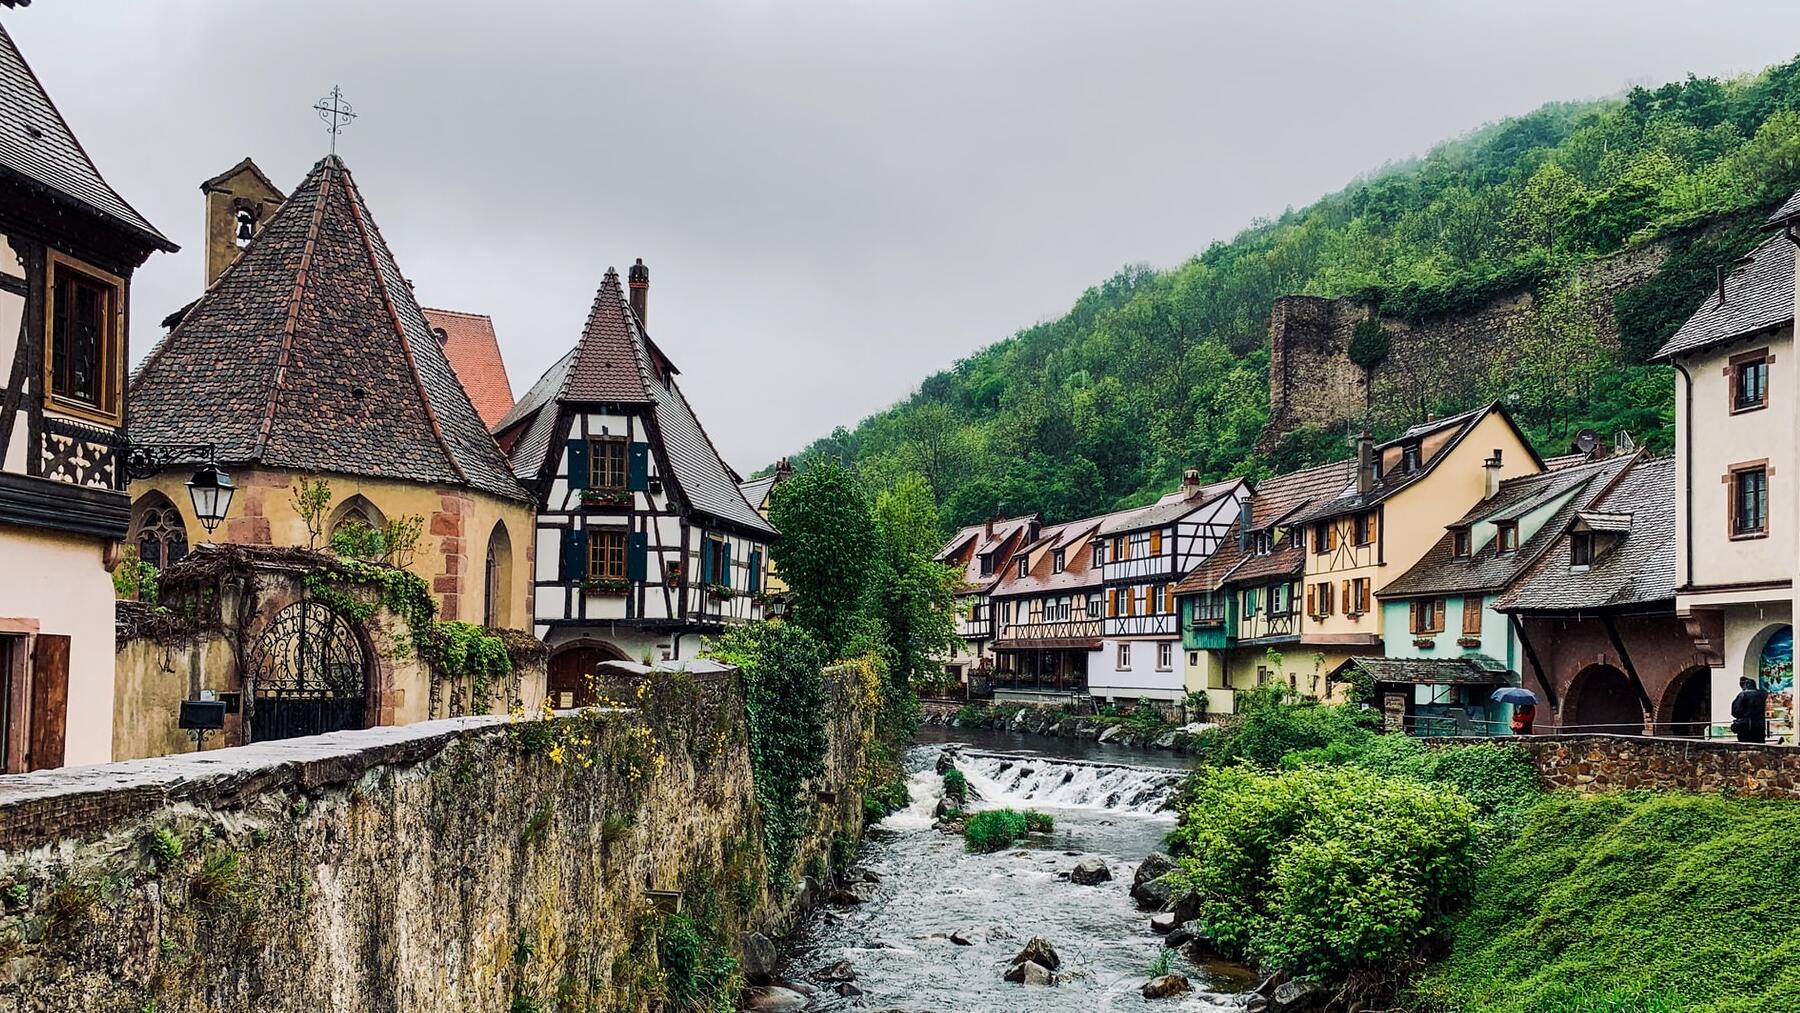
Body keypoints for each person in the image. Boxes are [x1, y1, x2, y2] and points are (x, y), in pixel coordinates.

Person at [1730, 677, 1768, 744]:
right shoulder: (1763, 694)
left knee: (1745, 746)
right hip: (1759, 726)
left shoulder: (1743, 695)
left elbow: (1735, 711)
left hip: (1746, 727)